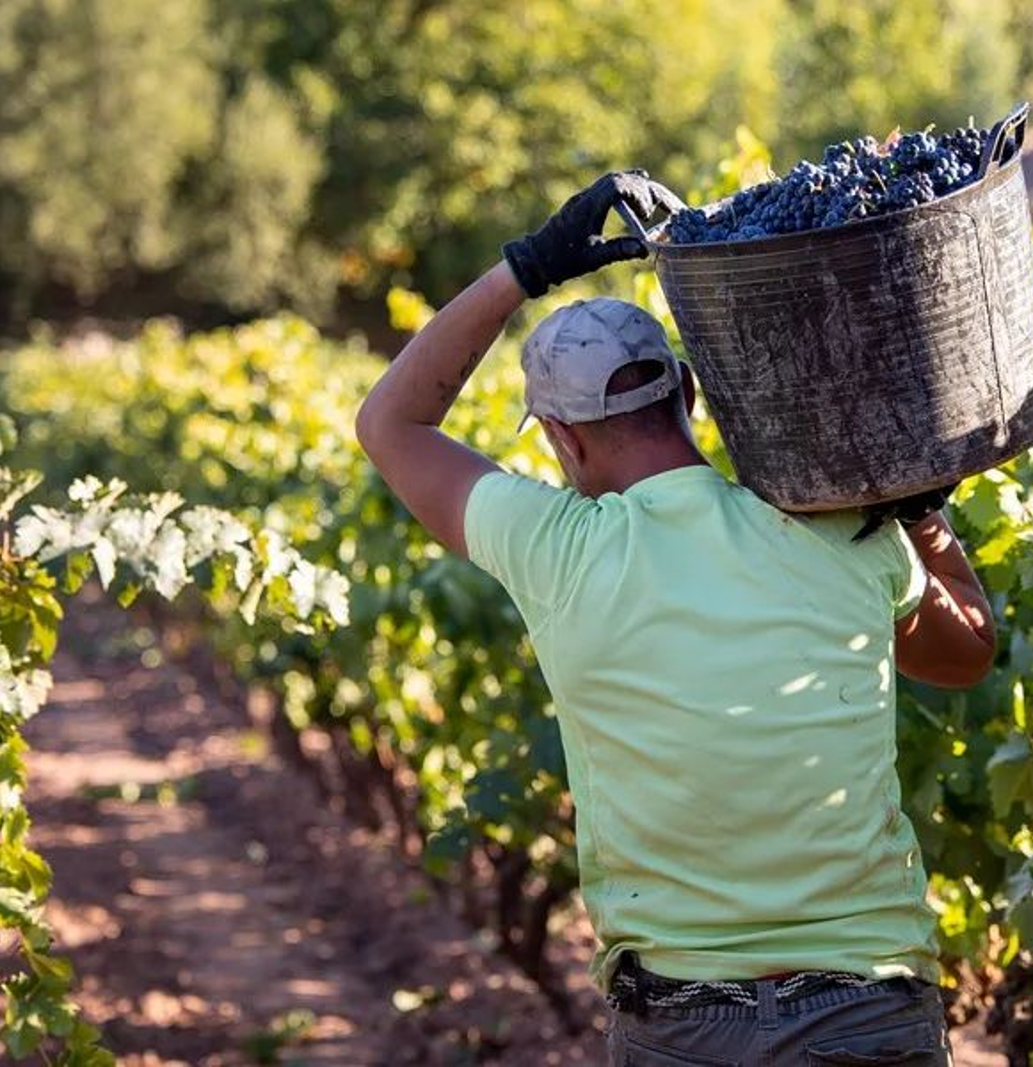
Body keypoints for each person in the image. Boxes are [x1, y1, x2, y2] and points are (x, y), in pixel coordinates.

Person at [355, 171, 996, 1066]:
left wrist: (524, 270)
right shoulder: (839, 527)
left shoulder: (558, 550)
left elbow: (390, 423)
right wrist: (919, 505)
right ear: (688, 395)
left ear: (561, 438)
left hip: (689, 1026)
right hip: (871, 1009)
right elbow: (968, 651)